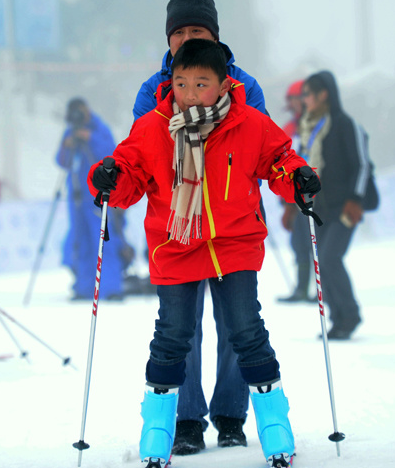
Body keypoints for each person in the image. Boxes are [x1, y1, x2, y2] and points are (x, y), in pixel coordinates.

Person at [89, 38, 320, 468]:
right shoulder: (154, 126)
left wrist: (298, 176)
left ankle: (274, 426)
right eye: (180, 83)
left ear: (223, 84)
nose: (190, 94)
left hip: (233, 244)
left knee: (246, 330)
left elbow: (279, 159)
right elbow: (130, 172)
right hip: (175, 247)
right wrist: (109, 177)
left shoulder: (248, 122)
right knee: (173, 336)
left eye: (201, 83)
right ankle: (160, 428)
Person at [132, 0, 268, 453]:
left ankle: (231, 414)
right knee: (181, 326)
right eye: (180, 31)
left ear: (214, 35)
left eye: (197, 29)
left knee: (238, 324)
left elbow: (262, 144)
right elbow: (139, 152)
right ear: (168, 38)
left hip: (233, 220)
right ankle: (186, 419)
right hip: (178, 225)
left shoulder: (243, 85)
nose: (187, 36)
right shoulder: (154, 90)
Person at [298, 71, 368, 339]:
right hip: (320, 209)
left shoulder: (344, 124)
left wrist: (356, 199)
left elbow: (361, 164)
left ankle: (349, 314)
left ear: (323, 94)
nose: (304, 100)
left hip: (344, 207)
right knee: (320, 261)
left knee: (330, 257)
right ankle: (339, 317)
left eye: (308, 94)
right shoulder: (309, 126)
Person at [56, 98, 127, 301]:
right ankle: (84, 287)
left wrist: (91, 138)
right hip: (77, 195)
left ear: (86, 110)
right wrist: (67, 145)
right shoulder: (70, 132)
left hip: (97, 193)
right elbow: (61, 161)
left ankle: (112, 287)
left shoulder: (99, 128)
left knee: (104, 239)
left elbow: (112, 155)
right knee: (82, 241)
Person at [278, 80, 316, 303]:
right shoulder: (289, 130)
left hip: (316, 196)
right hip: (294, 198)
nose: (293, 105)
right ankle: (302, 288)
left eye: (296, 100)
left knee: (315, 244)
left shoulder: (319, 125)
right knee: (299, 243)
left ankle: (322, 290)